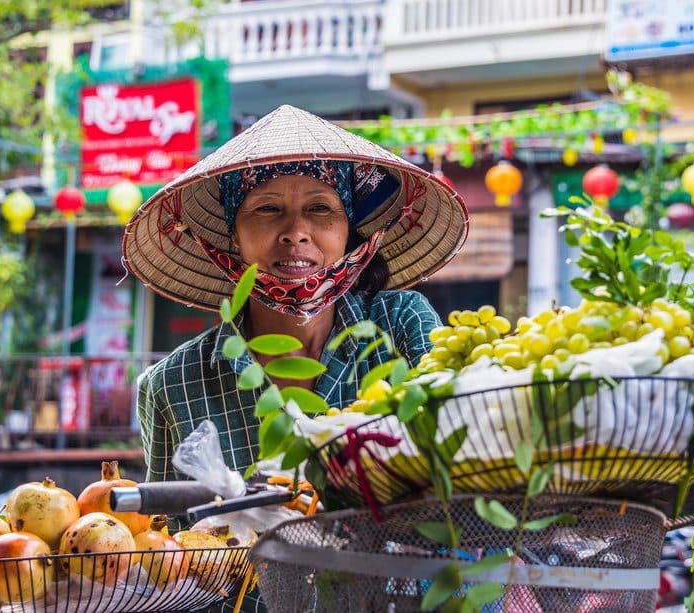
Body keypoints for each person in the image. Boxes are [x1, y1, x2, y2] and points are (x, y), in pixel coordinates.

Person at [123, 106, 468, 610]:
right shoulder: (171, 385)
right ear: (232, 238)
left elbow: (458, 477)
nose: (296, 232)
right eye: (266, 210)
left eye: (321, 209)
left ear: (349, 231)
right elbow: (170, 558)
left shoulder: (401, 326)